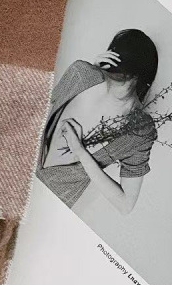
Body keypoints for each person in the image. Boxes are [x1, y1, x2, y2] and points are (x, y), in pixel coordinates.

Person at [37, 29, 159, 213]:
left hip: (49, 203)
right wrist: (92, 72)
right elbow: (42, 112)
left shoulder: (140, 131)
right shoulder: (82, 73)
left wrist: (80, 152)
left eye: (125, 75)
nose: (117, 77)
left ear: (139, 78)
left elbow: (125, 205)